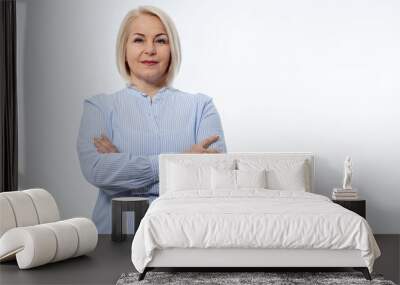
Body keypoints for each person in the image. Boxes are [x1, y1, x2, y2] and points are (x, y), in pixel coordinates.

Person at [76, 6, 227, 234]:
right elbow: (97, 170)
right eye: (138, 40)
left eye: (160, 40)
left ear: (172, 49)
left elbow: (213, 177)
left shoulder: (201, 106)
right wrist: (180, 161)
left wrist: (123, 165)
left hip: (184, 238)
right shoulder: (99, 107)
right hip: (115, 238)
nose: (150, 50)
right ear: (124, 49)